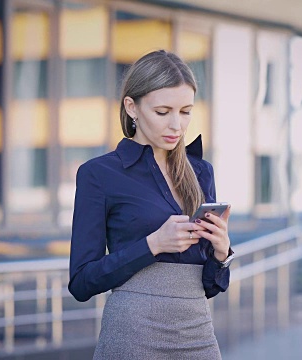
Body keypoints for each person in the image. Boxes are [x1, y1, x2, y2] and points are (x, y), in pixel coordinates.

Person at [68, 49, 234, 359]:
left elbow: (210, 287)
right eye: (163, 111)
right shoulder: (99, 174)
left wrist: (222, 252)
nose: (176, 125)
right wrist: (153, 244)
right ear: (132, 107)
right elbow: (81, 282)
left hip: (196, 329)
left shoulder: (201, 172)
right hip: (133, 331)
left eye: (185, 111)